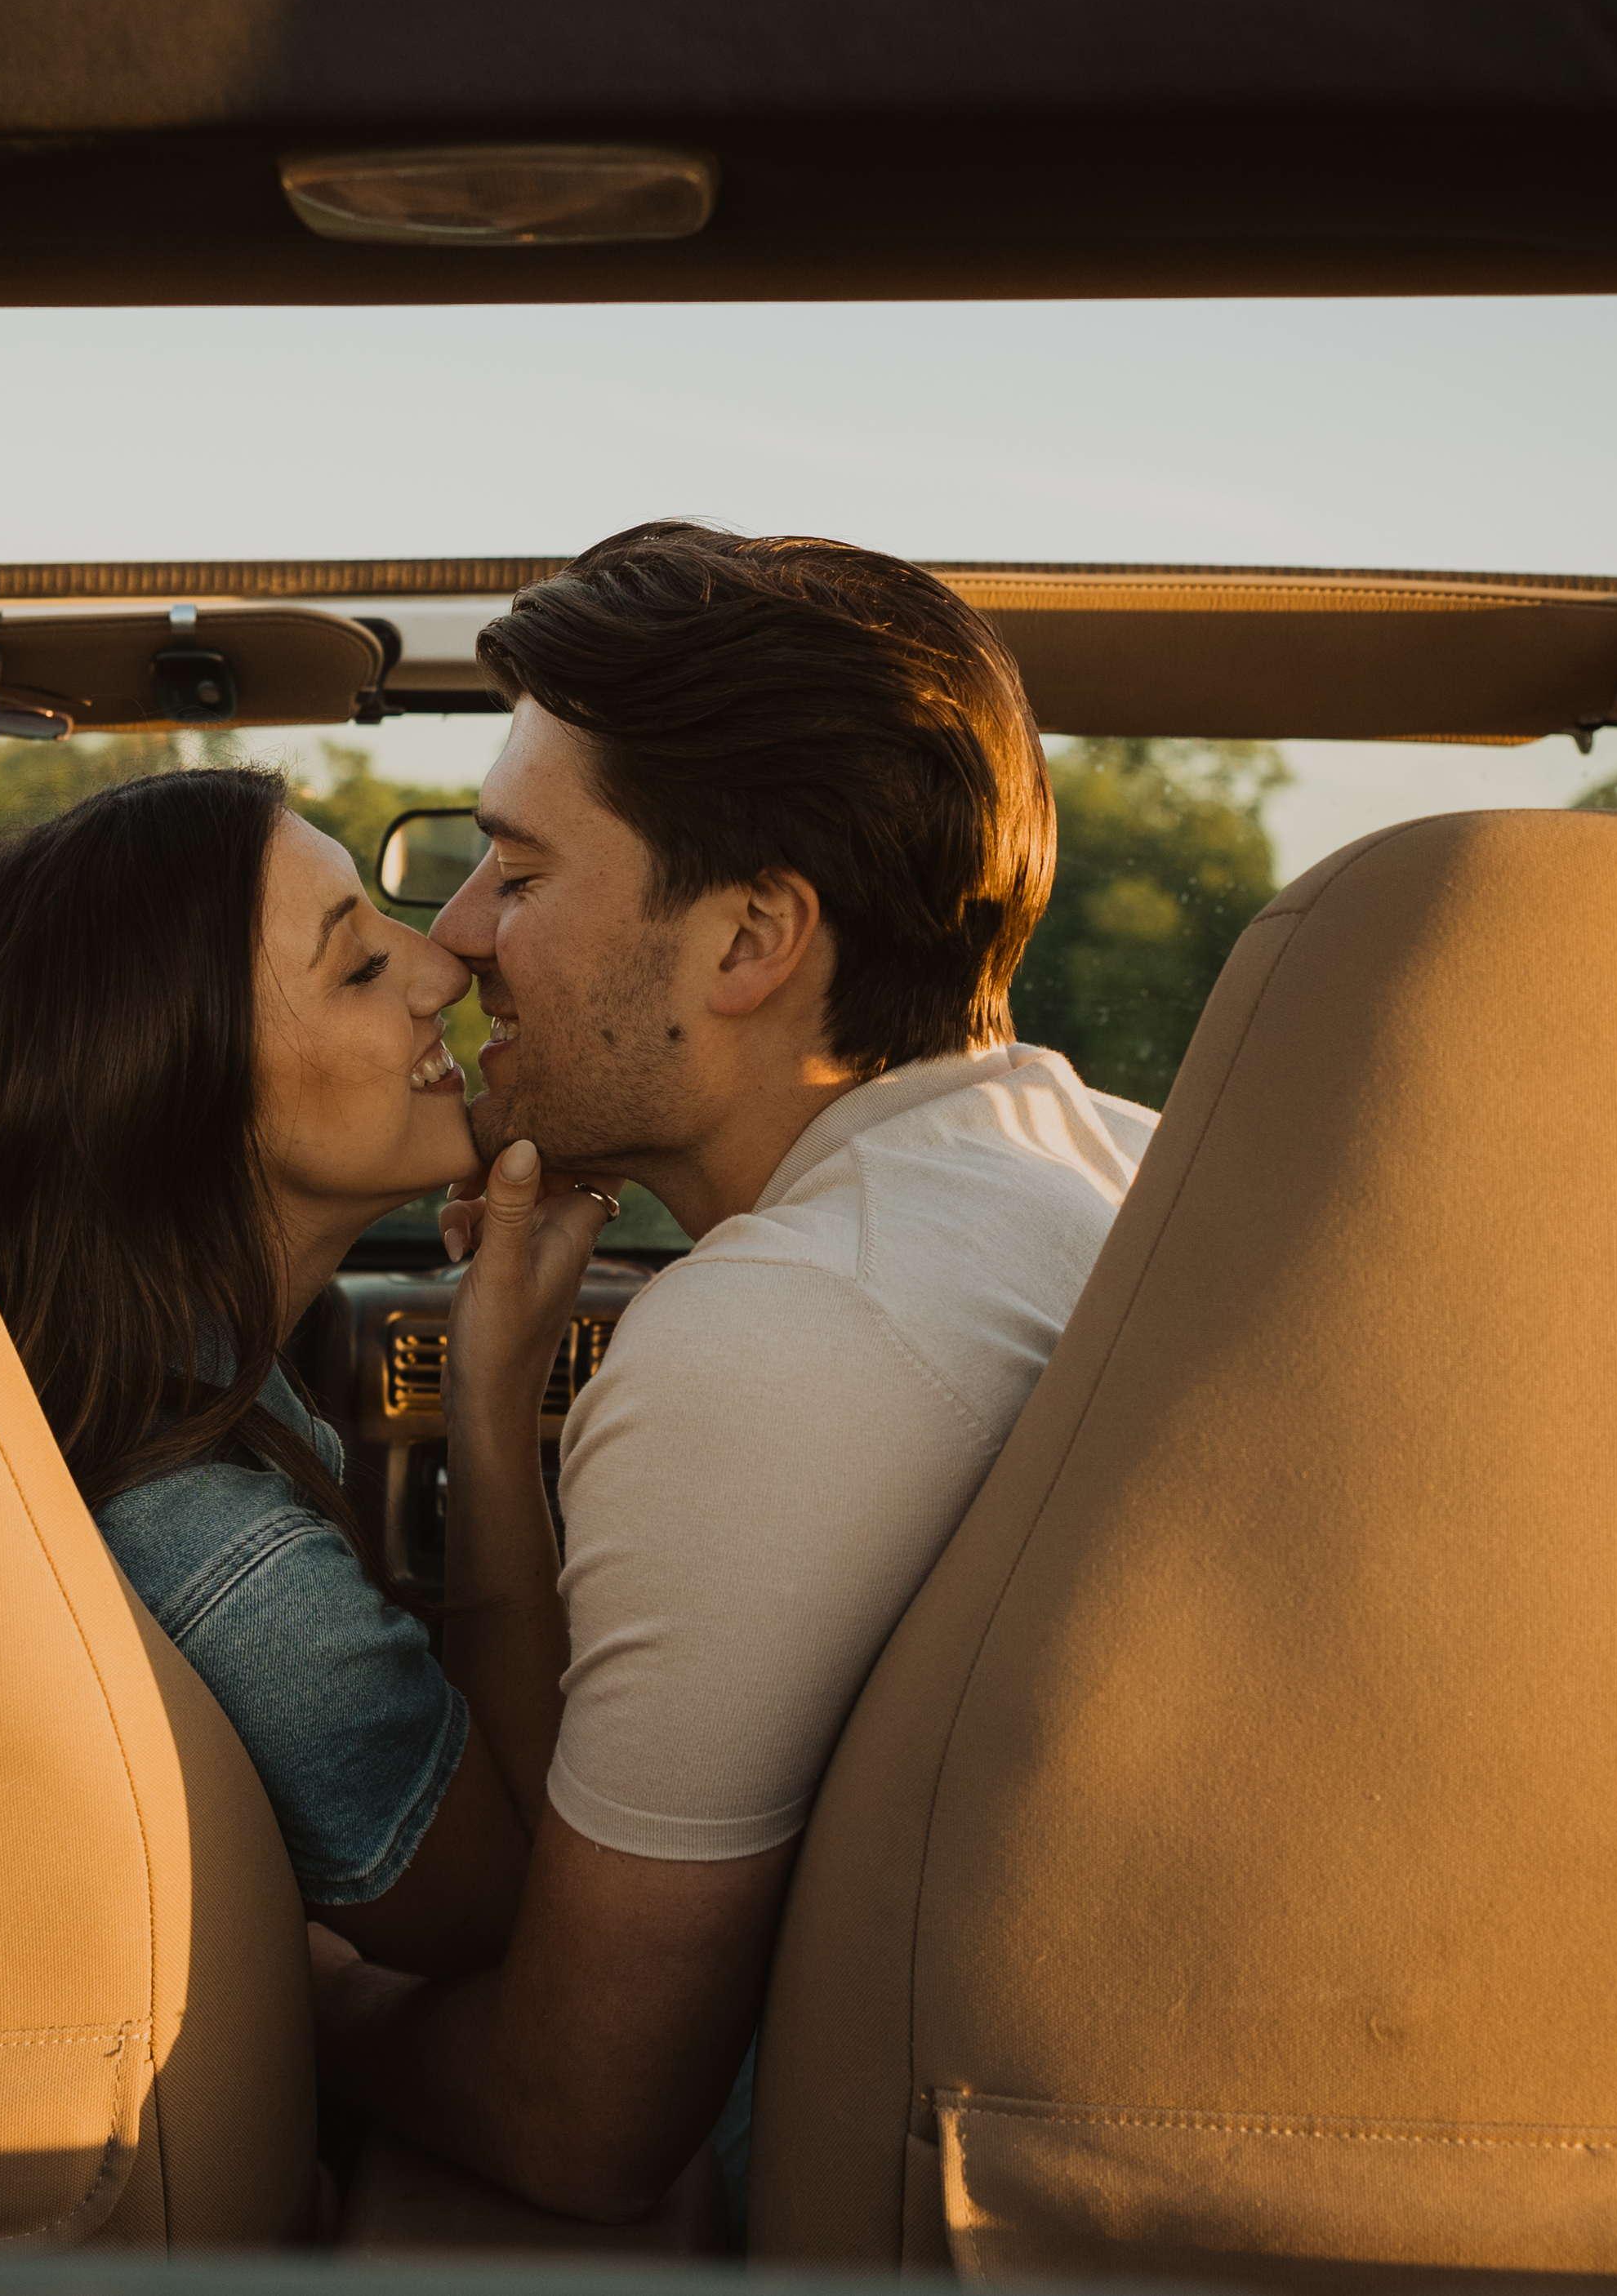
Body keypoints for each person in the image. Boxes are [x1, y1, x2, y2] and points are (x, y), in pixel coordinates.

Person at [310, 523, 1158, 2224]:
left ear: (750, 937)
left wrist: (289, 1987)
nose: (462, 934)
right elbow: (613, 1826)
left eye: (522, 872)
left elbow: (578, 2115)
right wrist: (493, 1401)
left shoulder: (785, 1331)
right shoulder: (1105, 1159)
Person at [0, 766, 604, 1978]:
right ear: (179, 1098)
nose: (440, 970)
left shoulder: (157, 1392)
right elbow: (515, 1919)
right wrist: (486, 1404)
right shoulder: (210, 1541)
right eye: (361, 968)